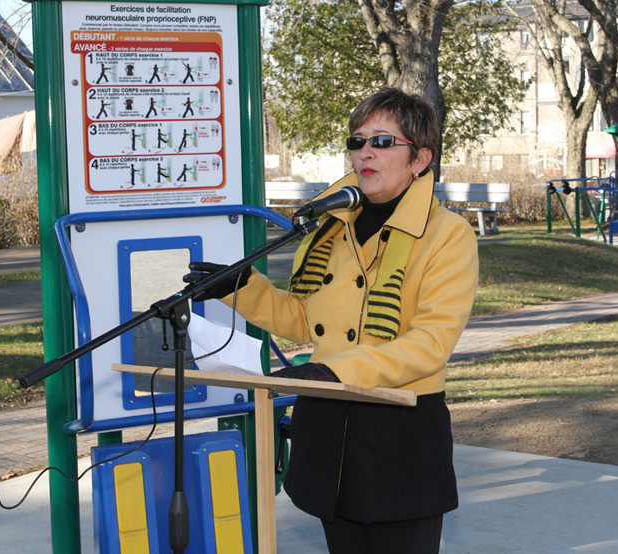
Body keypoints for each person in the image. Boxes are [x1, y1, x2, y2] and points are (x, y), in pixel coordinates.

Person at [185, 87, 479, 553]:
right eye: (358, 141)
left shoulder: (448, 235)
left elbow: (431, 342)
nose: (365, 152)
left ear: (420, 159)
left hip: (398, 429)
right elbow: (305, 321)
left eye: (382, 142)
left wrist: (336, 370)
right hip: (327, 425)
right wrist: (238, 287)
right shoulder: (331, 226)